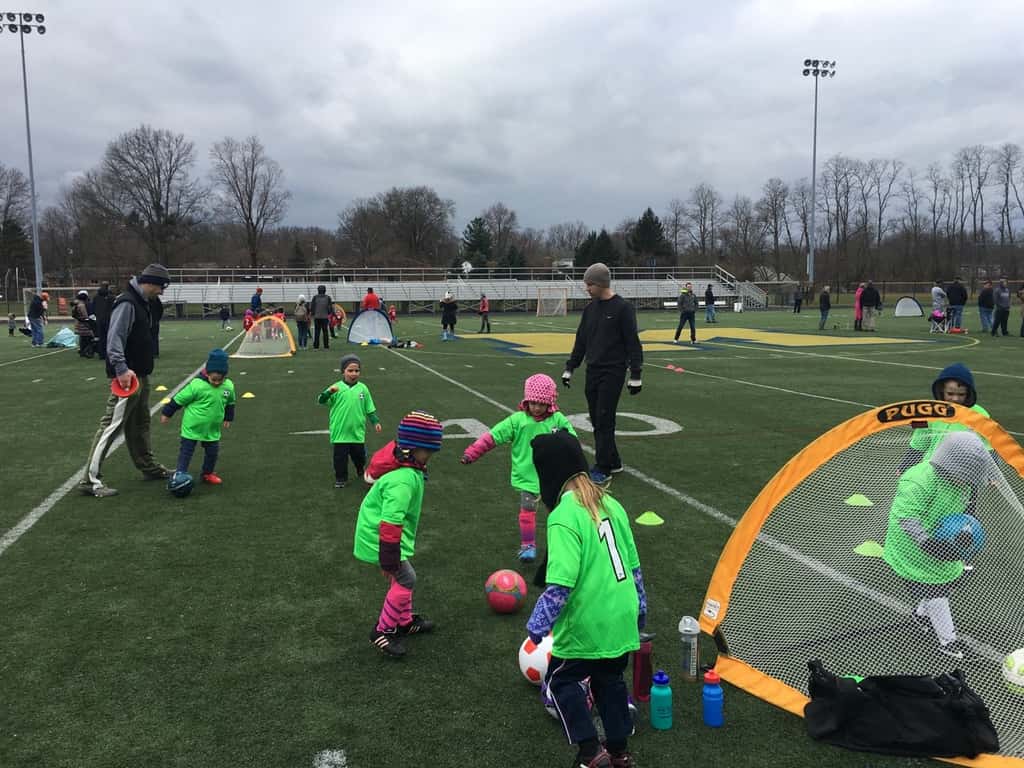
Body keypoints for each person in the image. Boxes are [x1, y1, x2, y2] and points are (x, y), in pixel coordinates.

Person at [527, 430, 645, 768]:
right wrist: (640, 611)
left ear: (548, 474)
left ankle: (590, 752)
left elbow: (561, 584)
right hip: (621, 617)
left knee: (561, 681)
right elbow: (635, 569)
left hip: (587, 622)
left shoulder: (563, 516)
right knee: (609, 680)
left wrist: (537, 625)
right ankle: (620, 752)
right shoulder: (612, 504)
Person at [883, 432, 998, 660]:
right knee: (937, 591)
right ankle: (948, 642)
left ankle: (920, 615)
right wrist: (926, 543)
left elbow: (958, 511)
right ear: (951, 466)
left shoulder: (961, 485)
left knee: (945, 582)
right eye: (966, 476)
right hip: (912, 548)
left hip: (940, 543)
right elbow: (906, 516)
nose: (967, 482)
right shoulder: (919, 478)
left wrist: (964, 531)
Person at [353, 410, 444, 658]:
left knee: (403, 578)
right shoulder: (403, 480)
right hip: (380, 536)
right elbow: (390, 522)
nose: (430, 457)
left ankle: (404, 621)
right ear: (412, 450)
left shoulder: (409, 470)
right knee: (407, 578)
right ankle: (382, 630)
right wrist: (389, 558)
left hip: (387, 536)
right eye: (428, 452)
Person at [78, 264, 173, 498]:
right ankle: (90, 480)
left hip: (141, 374)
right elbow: (114, 339)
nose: (161, 292)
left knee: (140, 423)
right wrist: (121, 369)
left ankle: (148, 466)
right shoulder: (128, 303)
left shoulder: (143, 303)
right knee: (111, 425)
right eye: (161, 287)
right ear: (150, 283)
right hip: (127, 376)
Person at [460, 374, 577, 562]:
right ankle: (528, 545)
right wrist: (472, 453)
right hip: (527, 477)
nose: (537, 408)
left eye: (541, 404)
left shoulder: (558, 420)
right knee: (527, 510)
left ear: (550, 403)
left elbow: (572, 441)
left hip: (553, 478)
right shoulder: (517, 421)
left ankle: (562, 545)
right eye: (533, 403)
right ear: (526, 401)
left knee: (558, 513)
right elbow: (493, 436)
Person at [563, 263, 643, 484]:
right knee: (597, 419)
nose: (587, 288)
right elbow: (581, 341)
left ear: (600, 284)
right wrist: (571, 367)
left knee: (604, 417)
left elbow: (633, 344)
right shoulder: (590, 309)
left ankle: (603, 466)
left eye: (590, 284)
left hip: (613, 371)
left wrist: (636, 374)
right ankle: (614, 460)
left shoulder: (623, 308)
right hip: (593, 370)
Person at [160, 348, 236, 485]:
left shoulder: (228, 386)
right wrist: (167, 413)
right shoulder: (196, 385)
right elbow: (179, 399)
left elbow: (230, 402)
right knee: (186, 451)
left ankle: (207, 473)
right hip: (192, 428)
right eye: (214, 379)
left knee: (212, 453)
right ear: (207, 374)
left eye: (221, 379)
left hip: (212, 429)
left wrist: (228, 417)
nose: (217, 383)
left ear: (225, 376)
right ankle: (181, 473)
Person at [898, 363, 991, 472]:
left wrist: (991, 475)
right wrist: (906, 465)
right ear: (941, 391)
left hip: (961, 475)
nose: (955, 399)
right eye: (950, 393)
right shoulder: (930, 411)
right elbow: (920, 442)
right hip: (928, 471)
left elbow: (988, 448)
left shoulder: (979, 414)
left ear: (969, 393)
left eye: (961, 395)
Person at [318, 353, 382, 488]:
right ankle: (341, 478)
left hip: (357, 431)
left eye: (357, 371)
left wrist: (375, 422)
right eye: (350, 370)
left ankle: (360, 468)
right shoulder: (336, 387)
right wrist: (328, 392)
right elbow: (321, 400)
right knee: (340, 457)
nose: (354, 373)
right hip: (340, 431)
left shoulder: (363, 388)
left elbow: (369, 407)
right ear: (343, 371)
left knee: (359, 456)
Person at [71, 289, 96, 358]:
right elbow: (85, 316)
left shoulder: (75, 305)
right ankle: (88, 351)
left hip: (79, 323)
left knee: (82, 338)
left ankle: (82, 351)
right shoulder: (82, 305)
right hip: (84, 324)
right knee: (89, 338)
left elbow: (74, 315)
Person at [93, 282, 115, 359]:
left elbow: (94, 308)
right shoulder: (111, 297)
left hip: (99, 319)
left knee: (101, 337)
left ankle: (101, 354)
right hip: (109, 319)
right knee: (110, 337)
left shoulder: (96, 297)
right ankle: (109, 354)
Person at [309, 284, 334, 349]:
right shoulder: (328, 298)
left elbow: (312, 307)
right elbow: (330, 308)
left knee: (317, 332)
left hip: (317, 317)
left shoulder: (315, 297)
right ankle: (326, 346)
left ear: (318, 290)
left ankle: (316, 346)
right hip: (325, 317)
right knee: (325, 332)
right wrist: (328, 313)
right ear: (325, 290)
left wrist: (313, 314)